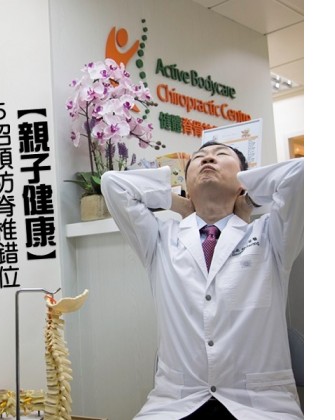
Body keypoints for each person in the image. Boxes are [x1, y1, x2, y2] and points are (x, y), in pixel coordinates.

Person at [101, 142, 303, 419]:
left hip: (260, 404)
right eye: (199, 158)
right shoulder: (160, 238)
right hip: (175, 403)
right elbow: (112, 183)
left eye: (221, 155)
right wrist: (178, 202)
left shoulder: (271, 235)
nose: (208, 159)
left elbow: (301, 172)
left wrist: (248, 200)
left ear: (242, 181)